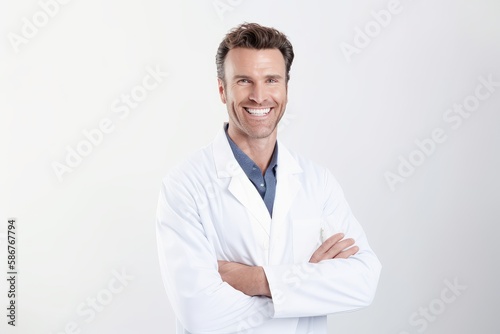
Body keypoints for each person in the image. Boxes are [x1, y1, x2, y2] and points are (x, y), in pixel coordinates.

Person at [156, 22, 381, 334]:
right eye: (244, 81)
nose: (259, 96)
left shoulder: (317, 182)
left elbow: (363, 281)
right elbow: (199, 313)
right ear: (222, 90)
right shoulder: (185, 185)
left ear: (286, 88)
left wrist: (255, 280)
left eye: (271, 80)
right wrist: (306, 285)